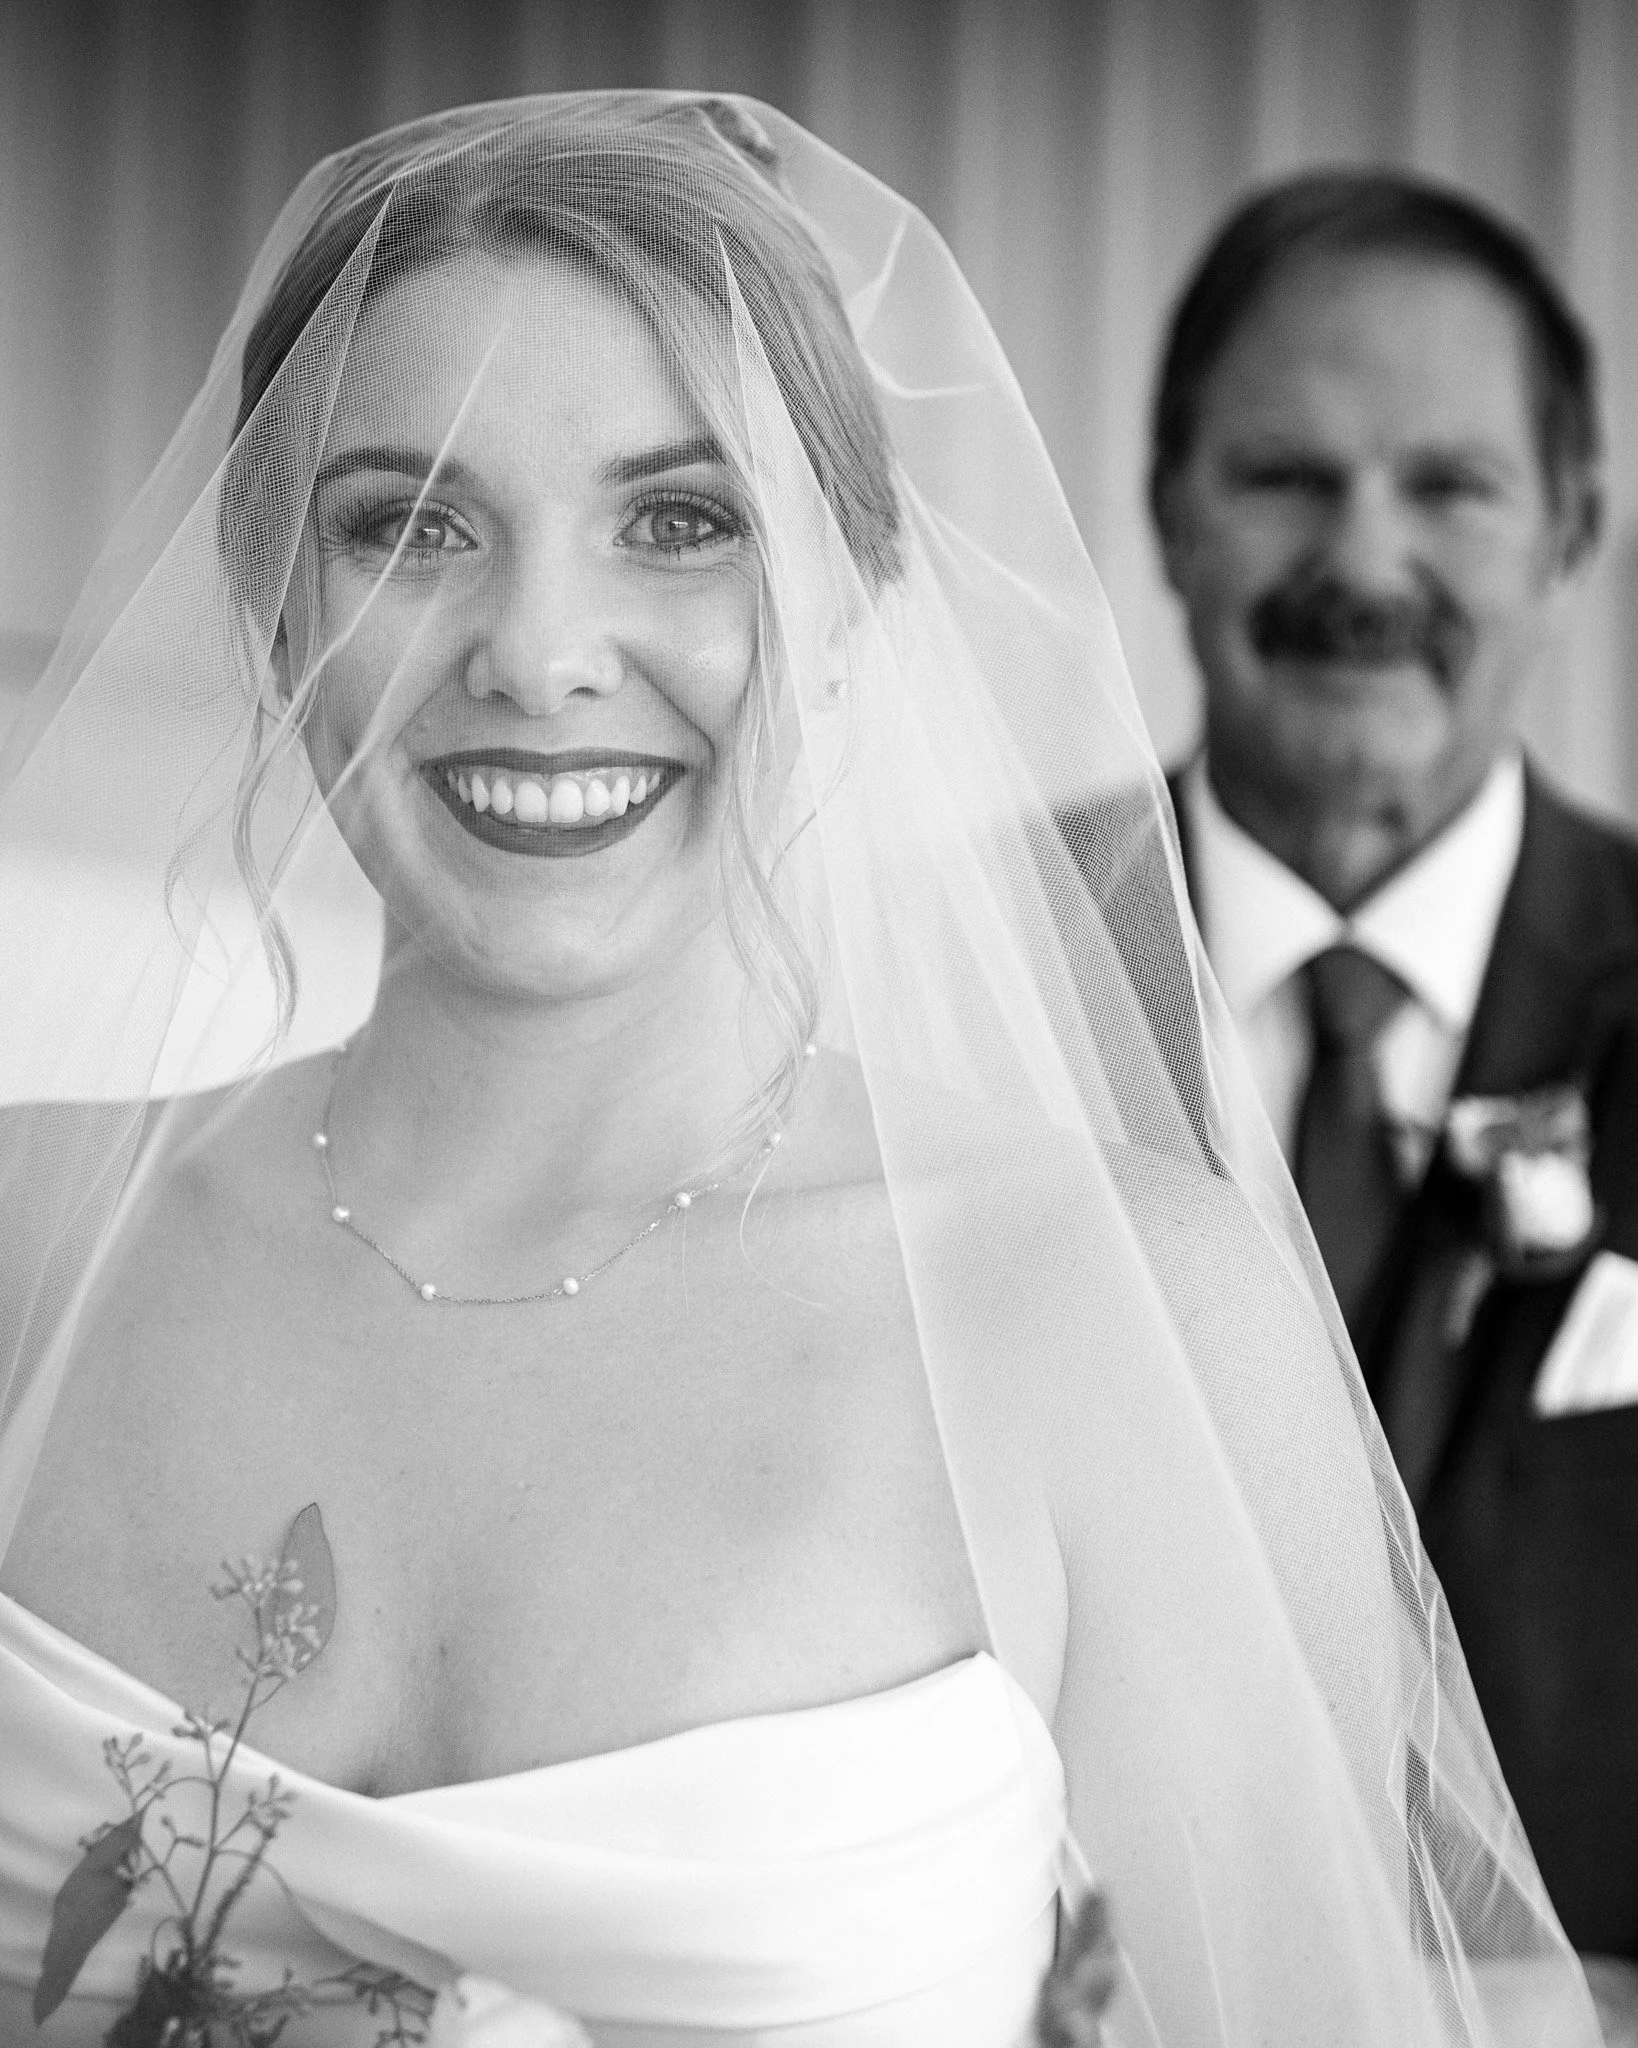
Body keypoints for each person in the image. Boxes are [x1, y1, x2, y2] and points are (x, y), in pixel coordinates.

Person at [0, 99, 1602, 2046]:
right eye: (410, 528)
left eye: (680, 522)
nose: (541, 651)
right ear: (273, 607)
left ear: (851, 600)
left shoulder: (1129, 1321)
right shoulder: (22, 1247)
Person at [1114, 167, 1638, 1993]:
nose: (1361, 562)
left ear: (1570, 528)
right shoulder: (941, 981)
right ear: (1167, 510)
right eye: (1283, 476)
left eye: (1447, 485)